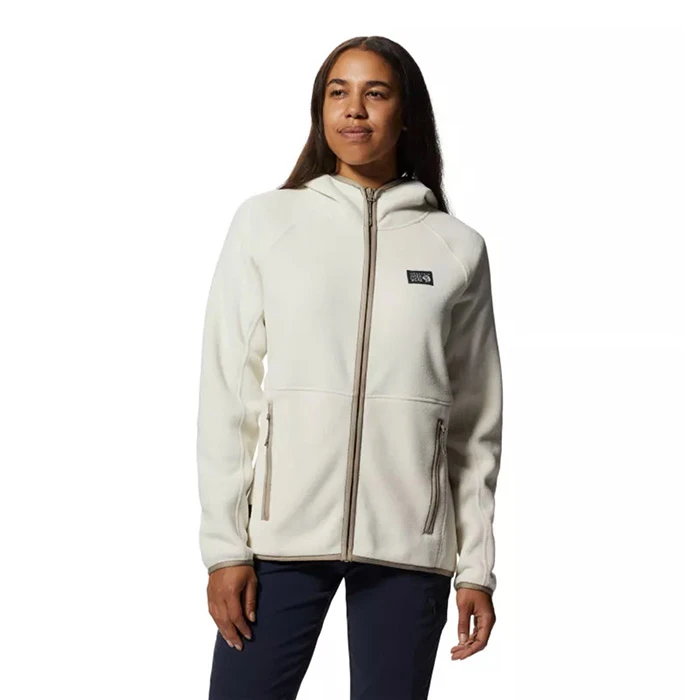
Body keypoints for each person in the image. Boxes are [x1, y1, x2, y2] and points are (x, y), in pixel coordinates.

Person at [197, 35, 504, 700]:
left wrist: (476, 567)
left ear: (406, 113)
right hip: (281, 541)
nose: (354, 109)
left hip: (410, 546)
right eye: (338, 92)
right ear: (321, 108)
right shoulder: (267, 222)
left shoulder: (456, 247)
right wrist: (225, 548)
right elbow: (227, 392)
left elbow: (476, 422)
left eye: (376, 93)